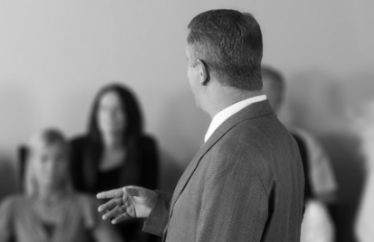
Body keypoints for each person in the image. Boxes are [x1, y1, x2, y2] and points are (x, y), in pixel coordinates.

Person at [97, 9, 305, 242]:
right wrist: (159, 207)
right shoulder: (280, 135)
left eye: (188, 62)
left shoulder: (234, 154)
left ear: (202, 71)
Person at [0, 129, 122, 242]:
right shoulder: (12, 206)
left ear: (68, 163)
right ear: (31, 163)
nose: (51, 167)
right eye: (44, 159)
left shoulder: (87, 205)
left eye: (59, 159)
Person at [69, 84, 159, 242]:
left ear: (130, 114)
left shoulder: (145, 147)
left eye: (119, 109)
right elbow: (75, 200)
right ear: (95, 113)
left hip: (131, 232)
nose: (110, 115)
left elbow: (149, 202)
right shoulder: (77, 148)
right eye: (103, 108)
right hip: (89, 229)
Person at [261, 66, 337, 242]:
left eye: (271, 89)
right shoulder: (221, 143)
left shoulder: (303, 142)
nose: (264, 96)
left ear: (281, 96)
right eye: (257, 89)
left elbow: (326, 196)